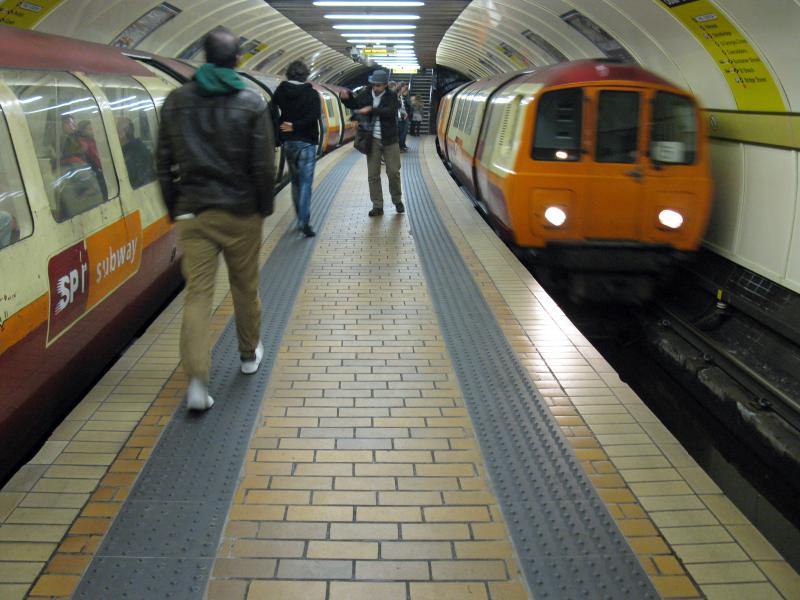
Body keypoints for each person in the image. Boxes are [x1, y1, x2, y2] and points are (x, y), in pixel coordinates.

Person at [157, 27, 276, 411]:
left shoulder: (175, 101)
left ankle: (196, 382)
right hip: (241, 212)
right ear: (238, 60)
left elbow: (162, 162)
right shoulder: (251, 102)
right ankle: (247, 355)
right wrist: (264, 206)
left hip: (194, 211)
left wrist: (175, 205)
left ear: (204, 56)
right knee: (245, 287)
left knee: (197, 296)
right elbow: (262, 164)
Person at [339, 69, 404, 217]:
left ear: (386, 85)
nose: (375, 88)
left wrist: (372, 110)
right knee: (373, 174)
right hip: (372, 140)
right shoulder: (367, 94)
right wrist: (346, 98)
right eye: (374, 85)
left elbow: (390, 112)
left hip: (390, 139)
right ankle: (377, 205)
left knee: (393, 172)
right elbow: (355, 104)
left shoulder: (391, 96)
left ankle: (397, 200)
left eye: (379, 85)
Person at [272, 59, 321, 237]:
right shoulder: (312, 94)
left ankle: (298, 217)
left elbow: (272, 112)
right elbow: (314, 116)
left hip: (288, 143)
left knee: (295, 181)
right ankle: (303, 220)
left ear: (289, 74)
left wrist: (283, 127)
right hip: (306, 143)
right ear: (305, 76)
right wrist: (297, 125)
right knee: (306, 183)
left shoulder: (280, 91)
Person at [117, 116, 155, 188]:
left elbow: (141, 180)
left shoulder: (132, 154)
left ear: (122, 133)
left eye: (116, 130)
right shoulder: (138, 146)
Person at [397, 83, 411, 151]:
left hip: (403, 116)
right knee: (401, 133)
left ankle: (401, 146)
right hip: (399, 118)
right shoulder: (397, 97)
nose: (406, 90)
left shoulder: (402, 97)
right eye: (405, 88)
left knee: (404, 133)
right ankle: (400, 146)